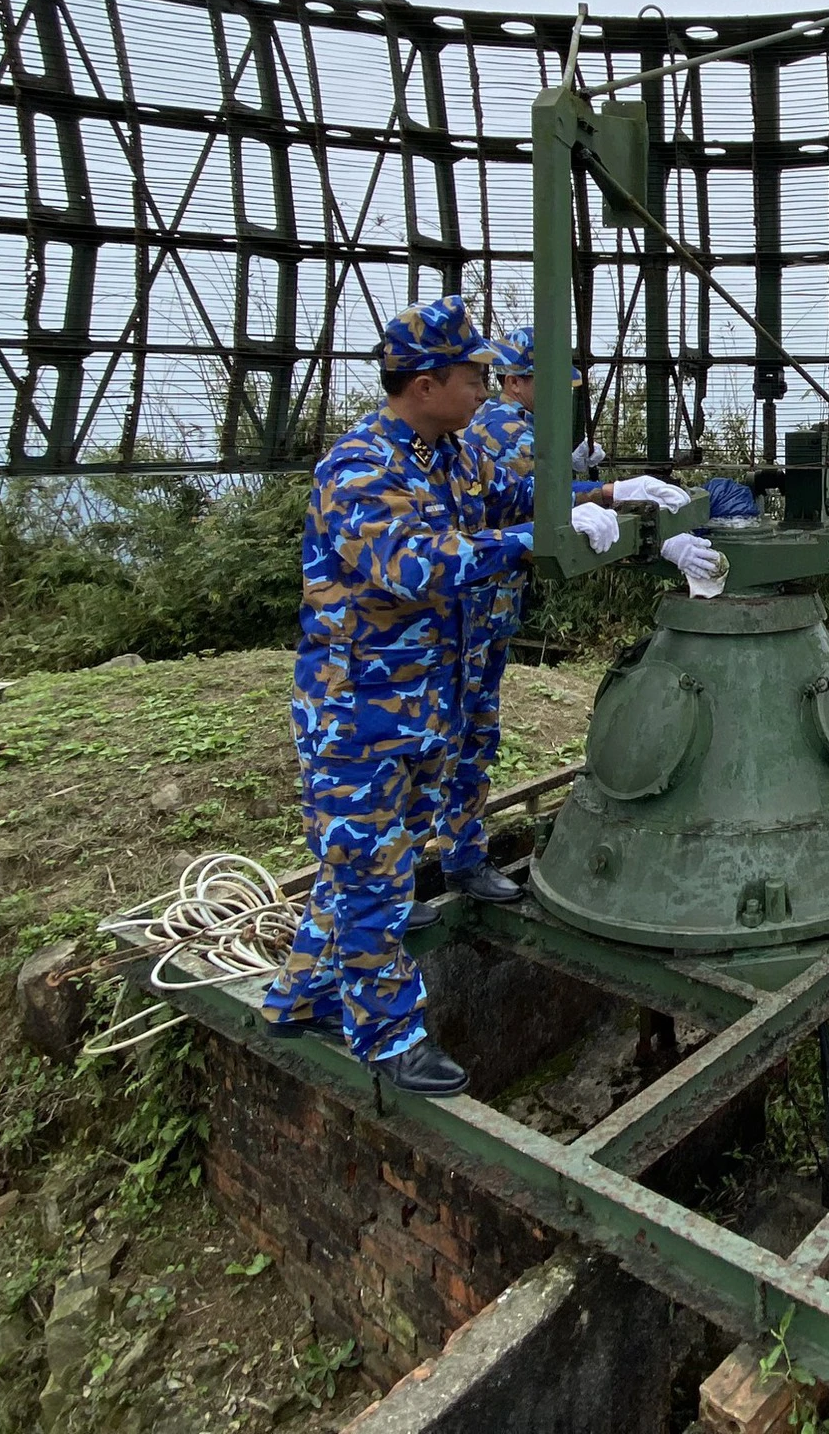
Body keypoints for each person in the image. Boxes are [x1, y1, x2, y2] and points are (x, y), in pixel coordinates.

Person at [257, 297, 536, 1097]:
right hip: (359, 719)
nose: (483, 389)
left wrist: (607, 499)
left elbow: (514, 499)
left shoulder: (447, 454)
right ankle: (389, 1038)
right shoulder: (360, 467)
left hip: (420, 713)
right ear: (423, 383)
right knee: (374, 884)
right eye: (471, 376)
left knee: (361, 870)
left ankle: (296, 998)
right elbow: (418, 565)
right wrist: (527, 543)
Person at [438, 325, 719, 895]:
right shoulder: (507, 429)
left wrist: (598, 488)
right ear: (517, 381)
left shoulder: (513, 428)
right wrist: (619, 505)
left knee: (469, 737)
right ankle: (438, 868)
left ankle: (457, 860)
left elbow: (539, 496)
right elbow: (543, 510)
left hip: (486, 614)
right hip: (467, 615)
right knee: (454, 740)